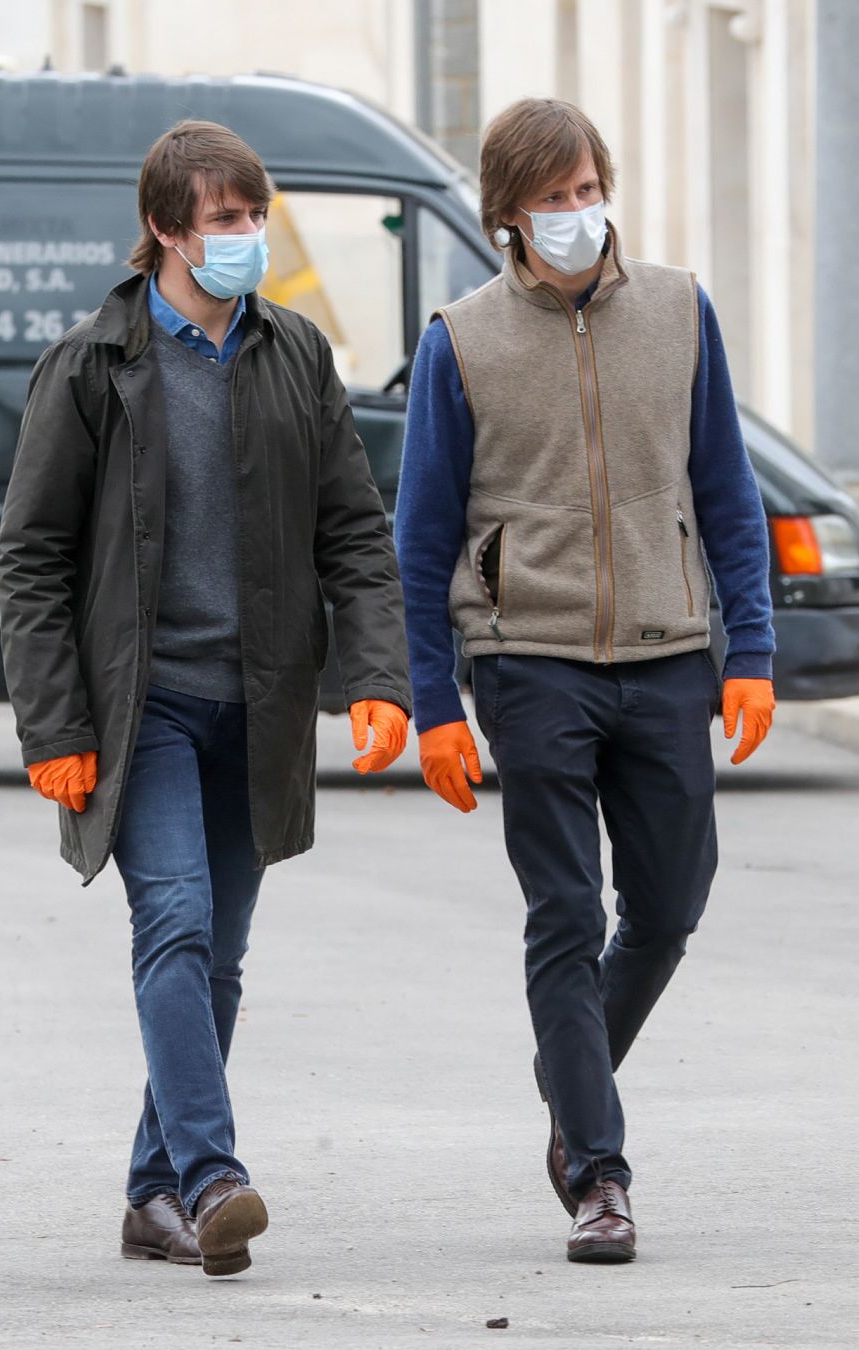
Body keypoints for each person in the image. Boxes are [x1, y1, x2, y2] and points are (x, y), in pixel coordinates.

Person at [0, 120, 411, 1277]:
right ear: (168, 230)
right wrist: (57, 727)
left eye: (253, 214)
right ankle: (214, 1175)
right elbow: (28, 557)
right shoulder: (92, 365)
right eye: (224, 219)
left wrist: (379, 678)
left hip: (259, 707)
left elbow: (355, 535)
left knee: (217, 959)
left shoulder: (296, 355)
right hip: (148, 711)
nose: (246, 236)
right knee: (172, 924)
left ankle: (151, 1195)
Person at [394, 98, 774, 1264]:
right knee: (563, 911)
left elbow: (727, 494)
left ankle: (570, 1069)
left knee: (667, 907)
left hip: (667, 656)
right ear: (506, 214)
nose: (575, 213)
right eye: (550, 198)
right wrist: (436, 704)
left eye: (587, 188)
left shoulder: (679, 311)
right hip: (530, 662)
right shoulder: (459, 339)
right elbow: (421, 535)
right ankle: (599, 1175)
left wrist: (749, 652)